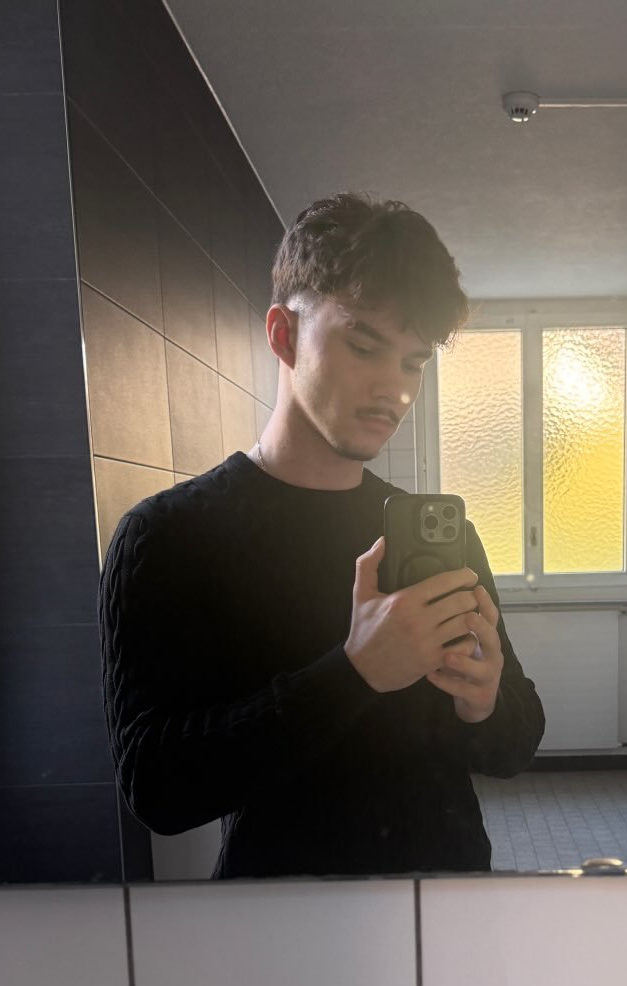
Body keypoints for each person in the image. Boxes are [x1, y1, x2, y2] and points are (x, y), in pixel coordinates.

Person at [99, 192, 545, 878]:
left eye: (414, 362)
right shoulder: (168, 537)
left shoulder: (439, 536)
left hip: (450, 898)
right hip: (279, 915)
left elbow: (515, 743)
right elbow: (155, 789)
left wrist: (483, 702)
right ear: (284, 335)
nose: (394, 390)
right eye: (363, 345)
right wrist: (356, 672)